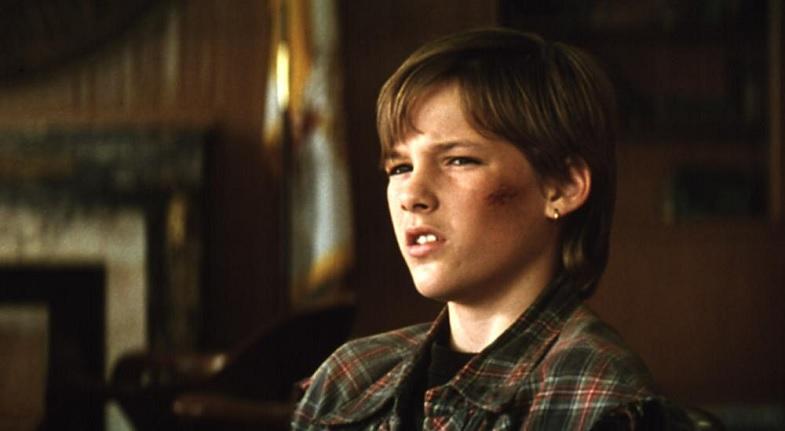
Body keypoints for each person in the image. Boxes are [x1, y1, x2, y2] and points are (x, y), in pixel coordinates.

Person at [291, 28, 687, 430]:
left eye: (459, 160)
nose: (411, 194)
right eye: (400, 167)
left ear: (563, 187)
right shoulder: (348, 376)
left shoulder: (602, 400)